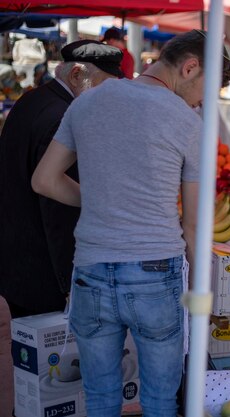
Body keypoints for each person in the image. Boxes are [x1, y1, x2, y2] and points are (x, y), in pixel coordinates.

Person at [31, 31, 230, 416]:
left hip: (90, 270)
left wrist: (101, 201)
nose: (201, 102)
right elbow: (192, 227)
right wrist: (201, 293)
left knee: (101, 400)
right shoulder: (190, 125)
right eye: (203, 93)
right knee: (159, 402)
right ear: (189, 67)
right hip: (156, 273)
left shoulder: (86, 103)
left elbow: (44, 180)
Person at [0, 40, 123, 320]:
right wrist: (68, 281)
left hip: (17, 259)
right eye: (104, 86)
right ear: (77, 75)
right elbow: (58, 209)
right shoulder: (65, 116)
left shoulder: (33, 99)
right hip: (41, 271)